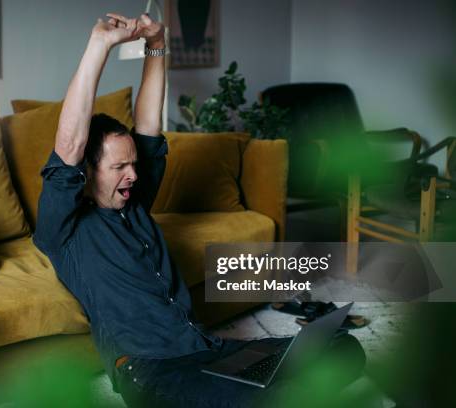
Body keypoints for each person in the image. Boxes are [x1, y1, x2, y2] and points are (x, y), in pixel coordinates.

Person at [33, 13, 366, 408]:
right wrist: (99, 45)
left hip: (208, 348)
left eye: (134, 164)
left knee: (343, 346)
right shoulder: (64, 230)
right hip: (154, 372)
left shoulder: (134, 203)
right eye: (119, 167)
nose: (133, 175)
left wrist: (157, 41)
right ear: (85, 173)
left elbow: (149, 125)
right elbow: (70, 143)